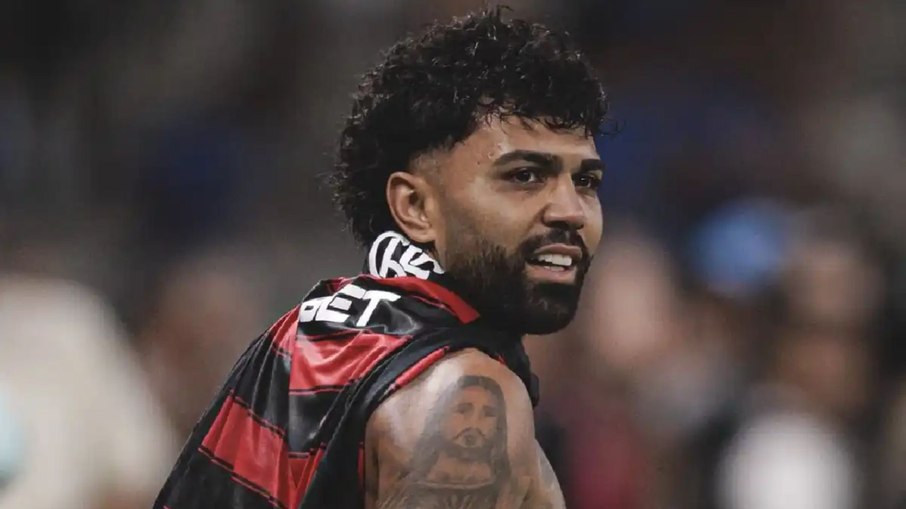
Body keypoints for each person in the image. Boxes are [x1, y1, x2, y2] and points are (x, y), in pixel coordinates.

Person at [154, 7, 608, 509]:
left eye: (585, 181)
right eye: (524, 176)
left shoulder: (318, 331)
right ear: (415, 207)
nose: (571, 210)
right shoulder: (465, 392)